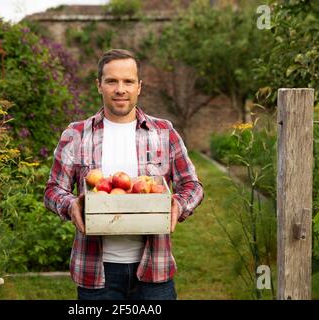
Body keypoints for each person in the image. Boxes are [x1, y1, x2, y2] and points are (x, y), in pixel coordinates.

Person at [44, 49, 204, 300]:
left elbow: (192, 185)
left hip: (154, 270)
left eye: (128, 81)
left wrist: (178, 205)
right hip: (97, 271)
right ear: (99, 85)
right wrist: (70, 205)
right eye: (111, 81)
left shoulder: (163, 131)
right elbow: (53, 189)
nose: (120, 89)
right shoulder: (75, 134)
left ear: (139, 86)